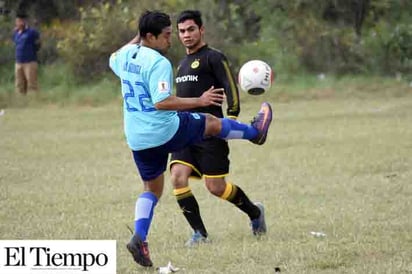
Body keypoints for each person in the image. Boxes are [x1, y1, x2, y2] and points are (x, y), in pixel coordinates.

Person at [109, 10, 272, 268]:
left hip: (137, 138)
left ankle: (139, 237)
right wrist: (201, 101)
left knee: (151, 190)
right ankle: (255, 133)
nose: (170, 40)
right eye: (166, 35)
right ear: (149, 36)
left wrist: (139, 37)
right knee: (208, 121)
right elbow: (162, 102)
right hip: (164, 130)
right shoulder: (159, 62)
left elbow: (114, 56)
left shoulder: (124, 56)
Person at [170, 9, 266, 247]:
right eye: (182, 31)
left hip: (212, 131)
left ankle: (255, 213)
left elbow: (230, 88)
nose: (186, 35)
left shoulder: (213, 57)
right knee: (177, 177)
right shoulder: (180, 65)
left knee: (216, 187)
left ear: (201, 30)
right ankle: (199, 234)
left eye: (191, 29)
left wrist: (230, 122)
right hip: (184, 132)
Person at [12, 13, 41, 94]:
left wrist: (32, 52)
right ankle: (21, 103)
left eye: (19, 21)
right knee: (19, 84)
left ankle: (32, 102)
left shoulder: (32, 32)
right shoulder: (16, 33)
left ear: (24, 22)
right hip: (18, 62)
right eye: (16, 21)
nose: (17, 23)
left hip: (29, 62)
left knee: (31, 84)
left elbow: (38, 44)